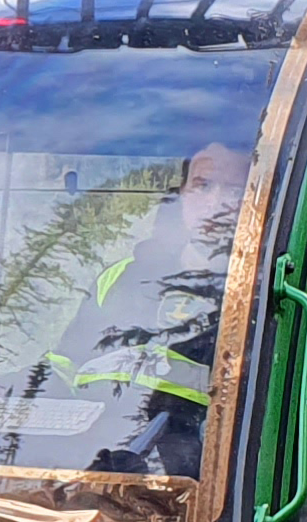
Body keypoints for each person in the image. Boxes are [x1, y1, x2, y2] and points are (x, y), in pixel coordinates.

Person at [58, 142, 250, 477]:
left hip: (224, 485)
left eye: (234, 190)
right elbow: (65, 366)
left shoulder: (272, 290)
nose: (215, 204)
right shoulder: (120, 280)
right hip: (110, 468)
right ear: (181, 194)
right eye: (203, 185)